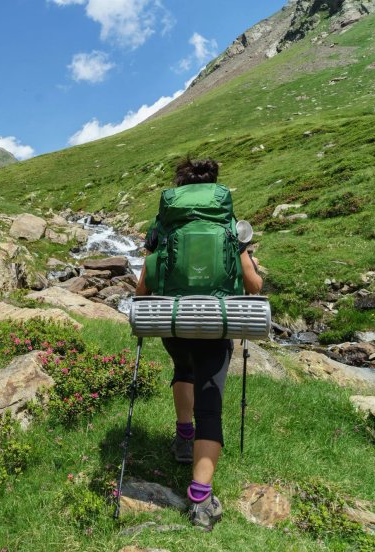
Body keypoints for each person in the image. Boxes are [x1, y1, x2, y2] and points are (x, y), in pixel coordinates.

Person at [135, 158, 263, 530]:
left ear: (179, 187)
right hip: (216, 322)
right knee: (211, 405)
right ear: (215, 189)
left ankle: (182, 436)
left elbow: (145, 285)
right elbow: (253, 286)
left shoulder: (164, 225)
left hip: (174, 321)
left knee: (182, 369)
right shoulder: (227, 226)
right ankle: (201, 499)